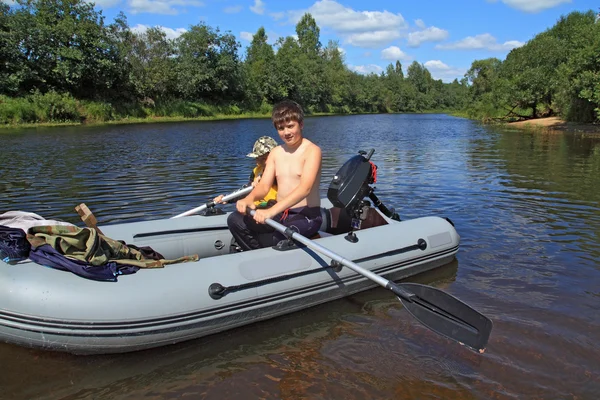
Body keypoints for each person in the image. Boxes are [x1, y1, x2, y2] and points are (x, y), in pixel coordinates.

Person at [227, 100, 322, 251]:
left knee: (280, 237)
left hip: (305, 214)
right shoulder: (275, 153)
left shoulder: (312, 151)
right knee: (235, 220)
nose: (286, 132)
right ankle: (256, 255)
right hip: (280, 213)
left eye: (291, 126)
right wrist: (249, 198)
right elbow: (264, 186)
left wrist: (270, 211)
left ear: (301, 124)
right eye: (281, 128)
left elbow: (305, 188)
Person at [213, 136, 278, 208]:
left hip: (274, 208)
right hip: (256, 208)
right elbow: (246, 191)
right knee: (233, 218)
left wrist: (262, 179)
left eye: (263, 158)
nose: (258, 163)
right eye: (257, 158)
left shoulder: (281, 171)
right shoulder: (256, 171)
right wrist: (227, 198)